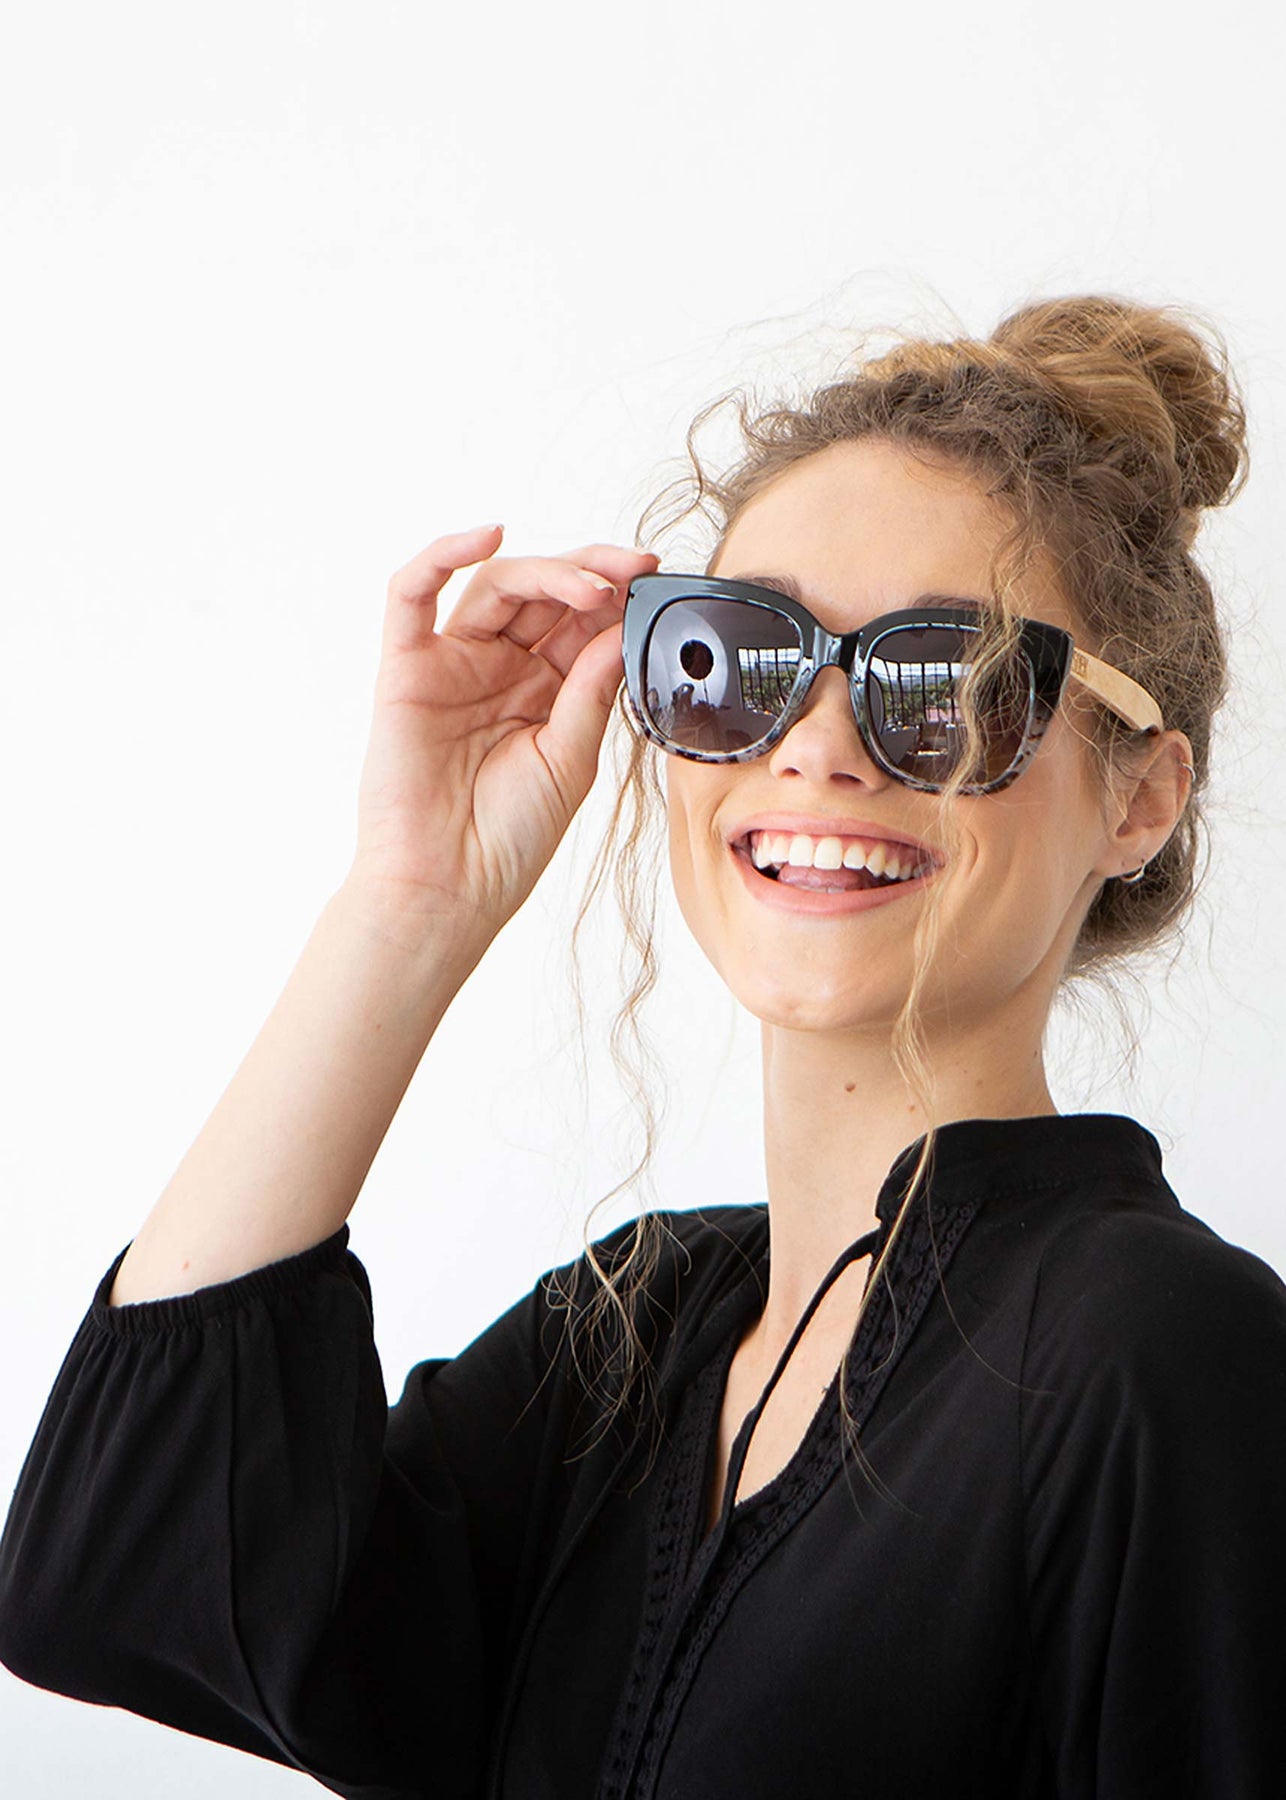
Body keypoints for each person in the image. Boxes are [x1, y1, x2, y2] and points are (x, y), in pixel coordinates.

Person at [1, 294, 1284, 1800]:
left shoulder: (1161, 1355)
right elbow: (113, 1580)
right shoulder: (625, 1344)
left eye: (946, 678)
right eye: (739, 660)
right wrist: (408, 904)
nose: (817, 744)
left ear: (1138, 800)